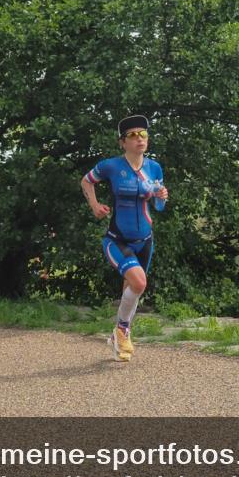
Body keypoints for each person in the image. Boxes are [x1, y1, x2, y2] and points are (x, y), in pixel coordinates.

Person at [81, 114, 168, 362]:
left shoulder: (154, 167)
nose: (139, 139)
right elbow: (86, 182)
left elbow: (159, 207)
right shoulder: (111, 166)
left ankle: (118, 340)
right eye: (133, 135)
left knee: (131, 289)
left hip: (145, 240)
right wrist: (95, 206)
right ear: (122, 142)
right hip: (117, 239)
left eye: (143, 134)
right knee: (139, 283)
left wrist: (161, 195)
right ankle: (122, 329)